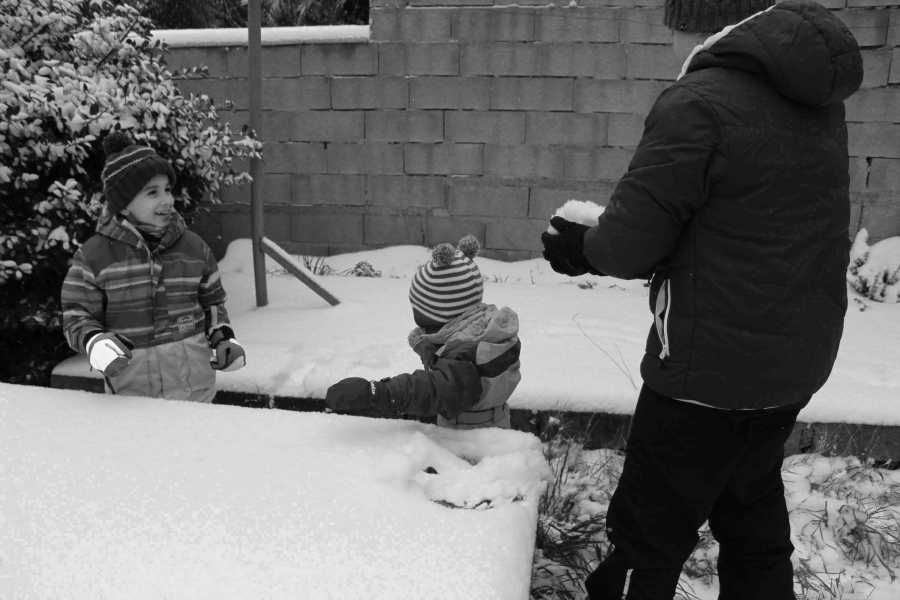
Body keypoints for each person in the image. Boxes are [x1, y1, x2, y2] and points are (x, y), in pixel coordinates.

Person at [540, 1, 863, 598]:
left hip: (703, 374)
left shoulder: (699, 103)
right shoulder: (815, 102)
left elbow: (633, 244)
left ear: (700, 25)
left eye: (670, 29)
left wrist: (581, 246)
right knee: (752, 521)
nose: (668, 44)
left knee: (648, 535)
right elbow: (747, 226)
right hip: (791, 366)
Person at [62, 131, 246, 403]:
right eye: (152, 192)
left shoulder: (193, 248)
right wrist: (95, 342)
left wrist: (225, 339)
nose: (167, 200)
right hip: (132, 398)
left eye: (167, 190)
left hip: (197, 395)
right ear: (123, 206)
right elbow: (76, 315)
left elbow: (213, 305)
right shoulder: (94, 258)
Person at [325, 235, 521, 429]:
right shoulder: (480, 330)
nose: (420, 325)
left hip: (471, 439)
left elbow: (436, 389)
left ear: (445, 312)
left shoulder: (465, 346)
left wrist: (377, 392)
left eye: (422, 317)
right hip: (487, 424)